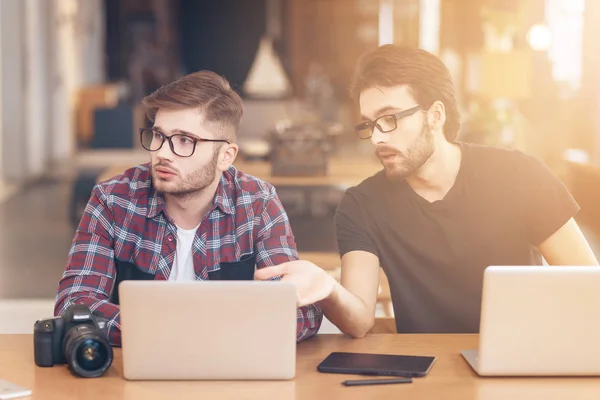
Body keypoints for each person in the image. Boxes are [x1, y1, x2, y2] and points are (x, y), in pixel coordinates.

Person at [256, 44, 599, 337]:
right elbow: (359, 319)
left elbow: (589, 285)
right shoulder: (360, 205)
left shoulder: (520, 175)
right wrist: (329, 288)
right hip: (423, 371)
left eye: (389, 118)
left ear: (435, 115)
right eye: (370, 124)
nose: (377, 137)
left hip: (522, 360)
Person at [55, 71, 323, 346]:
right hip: (139, 370)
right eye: (158, 135)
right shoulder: (113, 199)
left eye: (185, 140)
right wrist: (186, 331)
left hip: (229, 373)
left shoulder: (258, 202)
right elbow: (74, 304)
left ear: (225, 156)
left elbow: (301, 311)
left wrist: (175, 330)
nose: (162, 153)